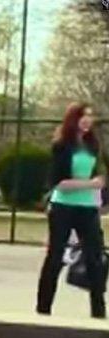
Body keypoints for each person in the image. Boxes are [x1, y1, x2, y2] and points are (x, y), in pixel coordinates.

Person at [37, 102, 106, 318]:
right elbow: (59, 183)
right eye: (83, 116)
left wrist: (99, 184)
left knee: (95, 257)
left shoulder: (92, 144)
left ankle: (98, 309)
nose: (87, 120)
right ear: (73, 119)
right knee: (55, 256)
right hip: (63, 207)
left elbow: (97, 176)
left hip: (88, 208)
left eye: (90, 116)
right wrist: (89, 184)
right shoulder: (62, 146)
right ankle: (43, 308)